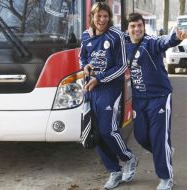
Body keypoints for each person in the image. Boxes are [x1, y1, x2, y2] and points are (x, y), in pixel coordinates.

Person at [125, 13, 187, 190]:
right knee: (141, 136)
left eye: (140, 25)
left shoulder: (150, 42)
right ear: (128, 29)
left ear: (144, 27)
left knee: (159, 138)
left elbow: (164, 42)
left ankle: (166, 178)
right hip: (139, 99)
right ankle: (165, 151)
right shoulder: (125, 44)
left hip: (159, 97)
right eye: (133, 26)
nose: (137, 29)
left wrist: (176, 37)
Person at [79, 2, 138, 190]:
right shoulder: (85, 36)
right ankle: (114, 171)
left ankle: (128, 158)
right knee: (95, 132)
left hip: (110, 89)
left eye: (105, 16)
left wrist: (100, 79)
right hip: (91, 89)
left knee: (108, 129)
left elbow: (122, 66)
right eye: (99, 16)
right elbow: (82, 57)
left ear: (109, 17)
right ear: (92, 17)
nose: (102, 20)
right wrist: (85, 66)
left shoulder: (116, 36)